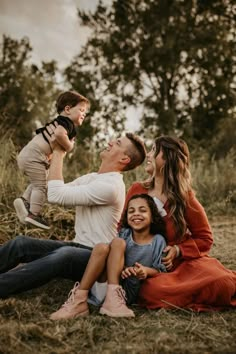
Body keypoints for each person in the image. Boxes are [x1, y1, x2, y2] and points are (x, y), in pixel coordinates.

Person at [0, 133, 146, 299]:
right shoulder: (92, 178)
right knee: (21, 244)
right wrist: (44, 160)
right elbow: (50, 193)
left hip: (96, 257)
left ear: (124, 159)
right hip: (77, 246)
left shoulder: (112, 187)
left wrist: (59, 152)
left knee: (64, 255)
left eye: (118, 143)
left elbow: (57, 195)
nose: (111, 142)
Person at [123, 136, 236, 311]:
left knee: (224, 283)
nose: (148, 155)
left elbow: (205, 238)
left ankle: (196, 291)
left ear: (168, 158)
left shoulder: (185, 197)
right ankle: (189, 294)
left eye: (153, 150)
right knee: (153, 291)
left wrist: (178, 250)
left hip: (182, 266)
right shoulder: (137, 190)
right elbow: (121, 228)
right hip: (148, 269)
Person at [50, 194, 166, 320]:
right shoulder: (125, 234)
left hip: (125, 293)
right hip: (105, 286)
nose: (136, 214)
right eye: (131, 211)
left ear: (153, 216)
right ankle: (79, 300)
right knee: (103, 247)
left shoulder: (158, 241)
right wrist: (125, 268)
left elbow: (159, 269)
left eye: (142, 210)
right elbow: (114, 259)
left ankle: (114, 299)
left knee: (116, 243)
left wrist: (144, 270)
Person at [14, 90, 90, 230]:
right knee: (41, 186)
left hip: (30, 155)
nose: (84, 114)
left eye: (85, 112)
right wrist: (70, 146)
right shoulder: (67, 123)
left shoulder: (60, 121)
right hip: (34, 157)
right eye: (81, 110)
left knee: (40, 180)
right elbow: (59, 134)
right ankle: (33, 214)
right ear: (67, 109)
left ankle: (24, 201)